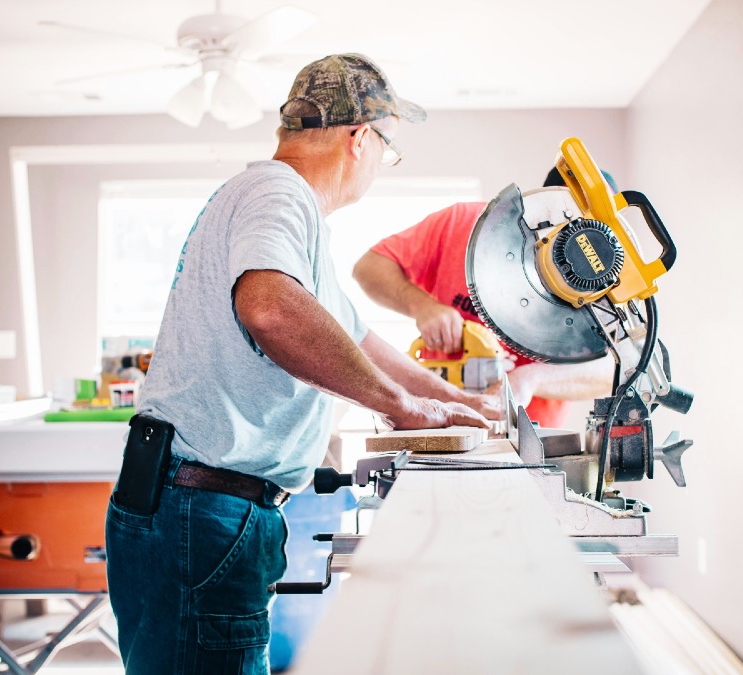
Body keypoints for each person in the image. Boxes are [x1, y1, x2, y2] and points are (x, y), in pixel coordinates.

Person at [105, 53, 500, 675]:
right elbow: (270, 310)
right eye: (386, 150)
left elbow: (358, 338)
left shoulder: (284, 210)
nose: (378, 165)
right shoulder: (277, 191)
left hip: (201, 507)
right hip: (201, 512)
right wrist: (400, 407)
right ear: (360, 138)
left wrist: (453, 403)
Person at [353, 168, 624, 429]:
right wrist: (421, 305)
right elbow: (369, 268)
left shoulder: (602, 281)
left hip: (528, 435)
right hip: (436, 416)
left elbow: (616, 367)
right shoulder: (464, 223)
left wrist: (530, 379)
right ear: (541, 202)